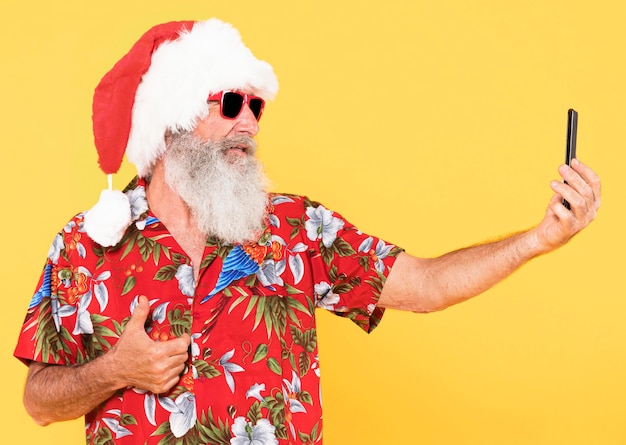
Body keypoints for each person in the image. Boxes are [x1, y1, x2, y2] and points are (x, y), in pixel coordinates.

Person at [14, 18, 600, 445]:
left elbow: (423, 285)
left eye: (256, 107)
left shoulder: (296, 228)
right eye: (232, 103)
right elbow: (36, 401)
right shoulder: (87, 244)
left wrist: (538, 239)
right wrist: (116, 369)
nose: (250, 120)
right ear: (173, 122)